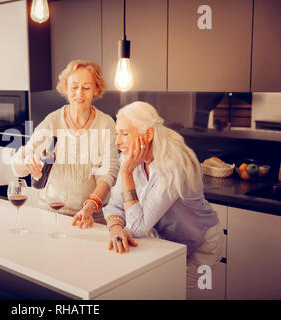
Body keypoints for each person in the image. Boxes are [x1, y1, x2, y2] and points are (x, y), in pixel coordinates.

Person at [103, 101, 225, 299]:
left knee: (185, 295)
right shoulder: (129, 157)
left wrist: (126, 174)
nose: (118, 142)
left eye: (125, 134)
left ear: (148, 135)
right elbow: (114, 206)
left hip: (201, 248)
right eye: (117, 133)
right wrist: (115, 228)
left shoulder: (173, 164)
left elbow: (137, 227)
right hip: (168, 245)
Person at [12, 60, 120, 225]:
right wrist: (26, 162)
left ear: (96, 90)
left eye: (86, 87)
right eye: (74, 87)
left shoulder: (106, 124)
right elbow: (18, 165)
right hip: (50, 213)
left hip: (92, 216)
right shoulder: (52, 121)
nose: (79, 93)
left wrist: (89, 207)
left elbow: (108, 172)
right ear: (66, 89)